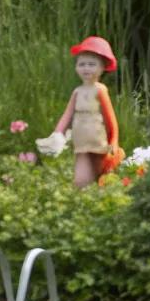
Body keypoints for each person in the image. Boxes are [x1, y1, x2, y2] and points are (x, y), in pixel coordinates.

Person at [36, 36, 125, 187]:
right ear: (76, 67)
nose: (86, 68)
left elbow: (110, 119)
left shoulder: (100, 90)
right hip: (82, 143)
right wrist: (57, 134)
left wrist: (114, 141)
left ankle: (104, 201)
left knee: (103, 178)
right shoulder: (77, 92)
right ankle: (83, 202)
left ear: (102, 68)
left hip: (99, 144)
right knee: (81, 181)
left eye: (91, 64)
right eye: (82, 64)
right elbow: (67, 114)